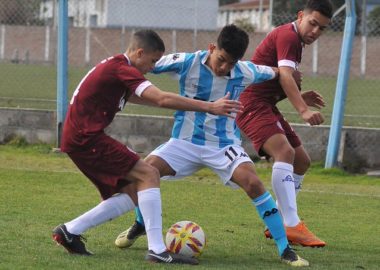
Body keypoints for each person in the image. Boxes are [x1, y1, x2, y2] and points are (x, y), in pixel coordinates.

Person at [114, 24, 309, 267]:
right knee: (146, 171)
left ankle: (285, 249)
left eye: (232, 63)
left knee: (253, 182)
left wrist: (298, 94)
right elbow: (143, 63)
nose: (225, 68)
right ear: (212, 48)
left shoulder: (245, 71)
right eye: (222, 60)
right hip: (183, 143)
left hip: (223, 145)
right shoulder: (186, 62)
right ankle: (140, 223)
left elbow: (277, 72)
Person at [52, 29, 244, 265]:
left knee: (134, 191)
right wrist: (209, 107)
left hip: (81, 137)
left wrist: (184, 106)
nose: (153, 67)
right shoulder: (123, 68)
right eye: (152, 61)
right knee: (149, 173)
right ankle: (157, 250)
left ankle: (69, 231)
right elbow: (161, 98)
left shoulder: (116, 67)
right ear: (140, 52)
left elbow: (146, 99)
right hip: (86, 138)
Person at [236, 0, 333, 247]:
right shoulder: (288, 36)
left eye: (321, 28)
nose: (315, 32)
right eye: (312, 23)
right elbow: (286, 75)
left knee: (301, 161)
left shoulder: (295, 40)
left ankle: (279, 222)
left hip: (266, 105)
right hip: (251, 105)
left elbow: (278, 78)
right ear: (301, 16)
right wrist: (303, 109)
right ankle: (291, 224)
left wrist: (301, 96)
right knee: (284, 152)